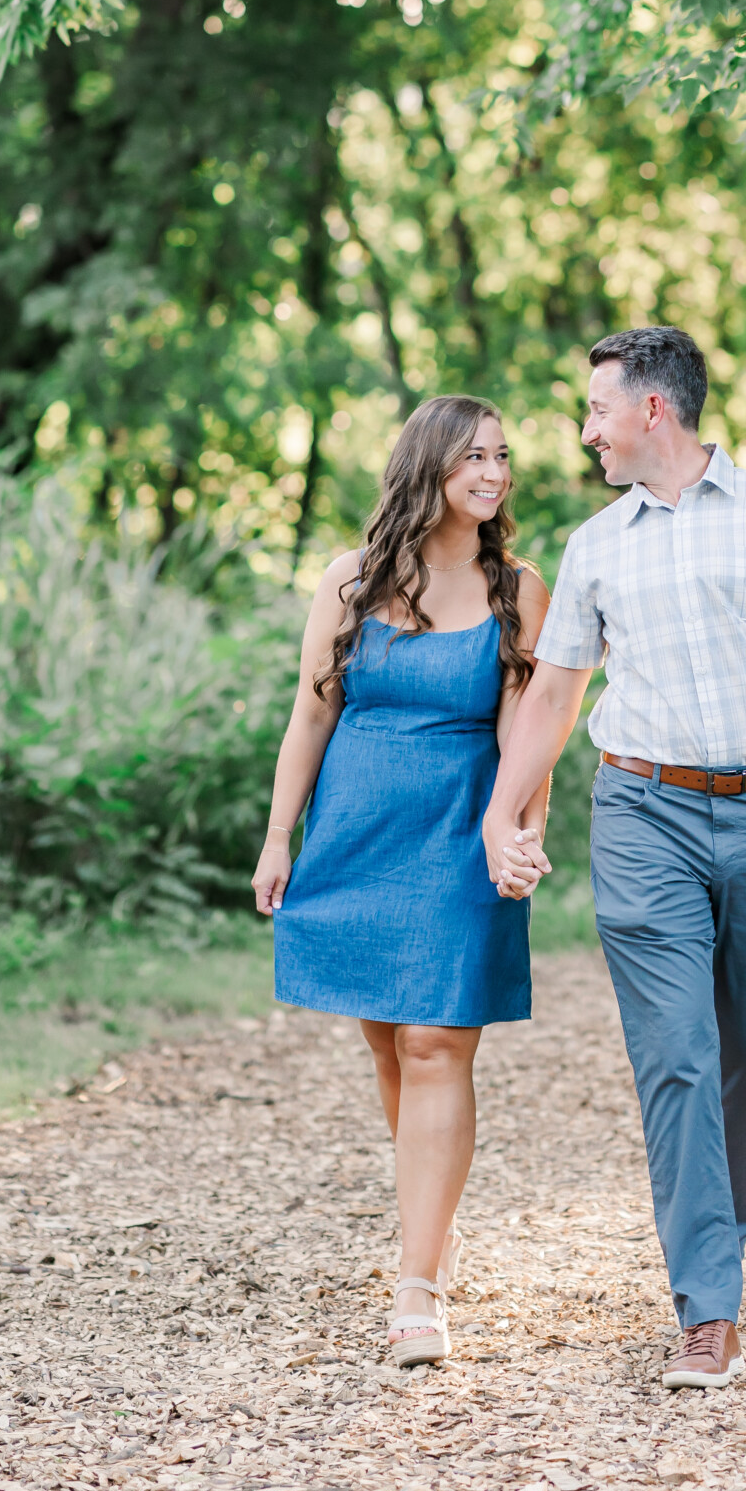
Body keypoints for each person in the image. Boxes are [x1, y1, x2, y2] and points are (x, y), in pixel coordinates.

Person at [482, 326, 746, 1391]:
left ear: (655, 408)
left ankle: (720, 1224)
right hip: (640, 810)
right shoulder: (596, 544)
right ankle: (707, 1303)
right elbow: (557, 694)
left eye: (597, 408)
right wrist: (502, 812)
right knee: (678, 1057)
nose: (585, 430)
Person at [253, 396, 551, 1367]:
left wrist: (520, 832)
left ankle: (418, 1286)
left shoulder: (518, 588)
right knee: (390, 1044)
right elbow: (310, 718)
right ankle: (436, 1221)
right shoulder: (350, 579)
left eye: (503, 455)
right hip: (357, 834)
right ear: (428, 463)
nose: (495, 471)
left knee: (434, 1042)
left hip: (459, 837)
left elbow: (530, 737)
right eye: (475, 454)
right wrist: (277, 838)